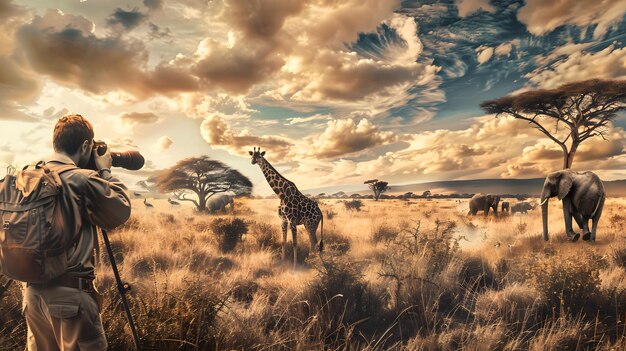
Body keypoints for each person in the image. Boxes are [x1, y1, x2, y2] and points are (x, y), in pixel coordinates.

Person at [22, 114, 131, 350]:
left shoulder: (28, 177)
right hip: (71, 300)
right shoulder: (82, 180)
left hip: (32, 297)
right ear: (85, 146)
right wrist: (104, 171)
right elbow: (120, 210)